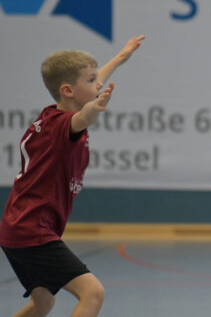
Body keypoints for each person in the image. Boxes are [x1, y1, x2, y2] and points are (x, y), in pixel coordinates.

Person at [0, 35, 145, 317]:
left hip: (16, 228)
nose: (98, 84)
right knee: (93, 293)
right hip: (33, 230)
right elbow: (85, 116)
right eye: (91, 80)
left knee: (43, 303)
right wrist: (95, 108)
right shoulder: (65, 126)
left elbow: (87, 93)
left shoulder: (51, 117)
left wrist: (119, 58)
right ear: (67, 90)